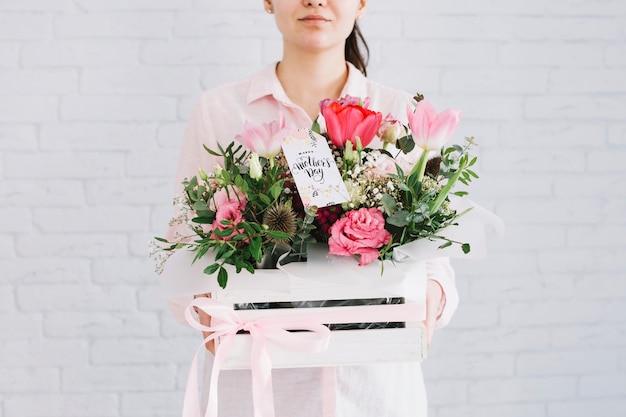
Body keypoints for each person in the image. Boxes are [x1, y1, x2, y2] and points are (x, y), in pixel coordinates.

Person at [166, 1, 458, 416]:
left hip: (372, 392)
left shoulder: (401, 115)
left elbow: (435, 264)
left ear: (361, 3)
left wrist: (429, 295)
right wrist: (205, 311)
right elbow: (185, 246)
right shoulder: (220, 111)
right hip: (258, 389)